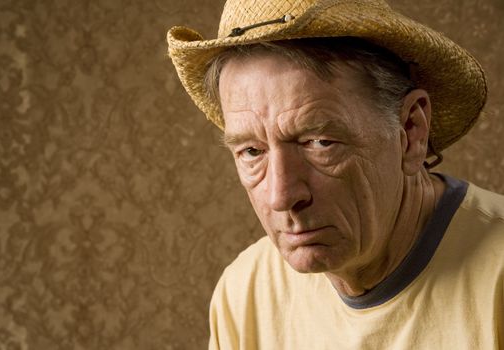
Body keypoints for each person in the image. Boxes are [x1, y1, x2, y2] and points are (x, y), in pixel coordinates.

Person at [168, 0, 504, 348]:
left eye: (320, 142)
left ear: (411, 130)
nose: (280, 196)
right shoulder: (245, 292)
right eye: (252, 151)